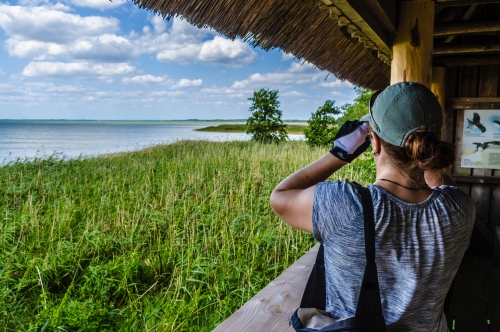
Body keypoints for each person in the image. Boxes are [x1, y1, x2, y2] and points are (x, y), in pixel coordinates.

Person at [270, 82, 475, 331]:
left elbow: (280, 197)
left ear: (374, 142)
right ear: (430, 146)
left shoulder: (346, 205)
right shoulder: (458, 210)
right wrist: (425, 157)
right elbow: (443, 185)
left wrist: (339, 153)